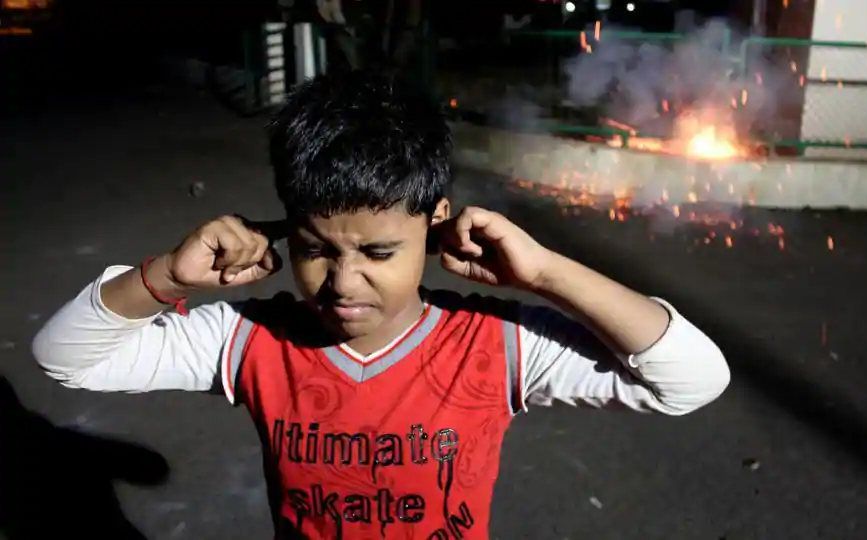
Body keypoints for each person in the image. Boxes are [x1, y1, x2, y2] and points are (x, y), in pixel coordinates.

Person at [32, 72, 729, 540]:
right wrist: (167, 277)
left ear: (436, 222)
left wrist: (545, 272)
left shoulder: (494, 346)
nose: (344, 282)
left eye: (379, 252)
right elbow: (66, 360)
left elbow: (692, 380)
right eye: (315, 249)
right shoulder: (251, 341)